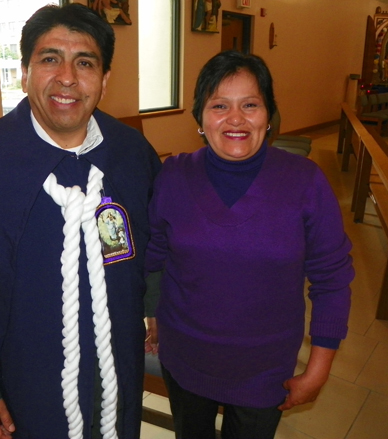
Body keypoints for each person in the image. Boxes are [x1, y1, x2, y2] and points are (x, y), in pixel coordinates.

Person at [0, 4, 161, 439]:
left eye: (85, 62)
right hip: (26, 371)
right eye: (49, 59)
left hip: (119, 358)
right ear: (24, 71)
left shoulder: (132, 153)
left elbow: (153, 245)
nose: (67, 77)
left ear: (104, 79)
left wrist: (157, 313)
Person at [144, 50, 354, 439]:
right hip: (185, 358)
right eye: (219, 105)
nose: (235, 119)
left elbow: (332, 280)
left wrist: (318, 368)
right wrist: (151, 317)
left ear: (268, 115)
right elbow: (153, 257)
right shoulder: (174, 176)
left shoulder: (304, 182)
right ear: (200, 119)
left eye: (250, 105)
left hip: (264, 369)